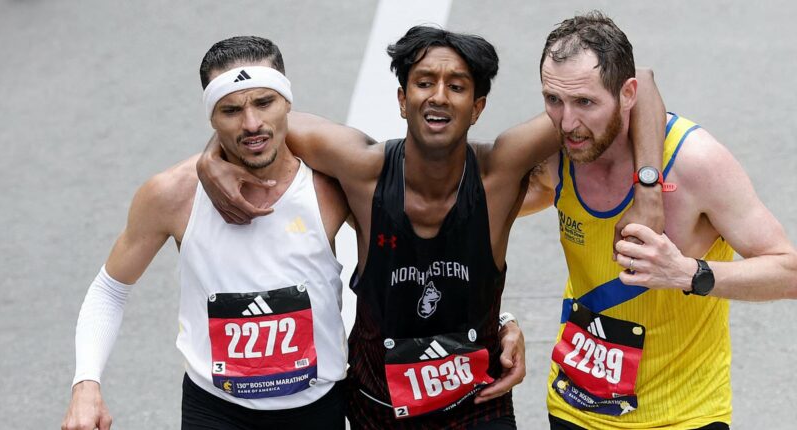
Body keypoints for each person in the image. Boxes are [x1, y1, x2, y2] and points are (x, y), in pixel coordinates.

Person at [197, 25, 667, 429]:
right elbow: (255, 119)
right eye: (424, 82)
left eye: (457, 86)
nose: (439, 96)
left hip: (478, 406)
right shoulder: (363, 169)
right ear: (403, 99)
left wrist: (647, 190)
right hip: (377, 407)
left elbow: (638, 83)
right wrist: (211, 156)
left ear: (478, 106)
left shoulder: (500, 172)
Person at [499, 11, 797, 429]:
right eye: (553, 99)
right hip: (575, 406)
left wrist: (687, 273)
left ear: (627, 94)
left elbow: (789, 272)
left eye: (585, 102)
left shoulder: (696, 163)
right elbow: (471, 221)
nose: (566, 122)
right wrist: (501, 319)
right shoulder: (558, 156)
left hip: (683, 416)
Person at [61, 36, 352, 430]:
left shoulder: (331, 185)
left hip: (316, 408)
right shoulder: (173, 194)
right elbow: (110, 288)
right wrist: (86, 384)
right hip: (215, 411)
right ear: (211, 119)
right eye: (230, 110)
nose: (251, 123)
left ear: (288, 103)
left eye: (265, 102)